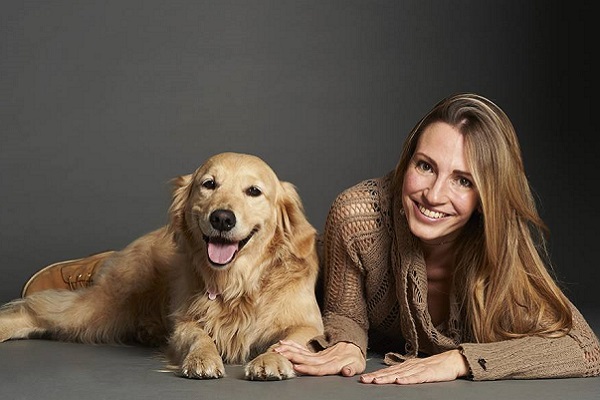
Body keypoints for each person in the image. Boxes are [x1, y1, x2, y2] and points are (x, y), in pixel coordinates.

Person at [273, 92, 600, 384]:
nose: (434, 194)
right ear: (407, 161)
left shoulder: (497, 245)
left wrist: (461, 360)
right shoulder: (357, 217)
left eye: (463, 181)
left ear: (487, 197)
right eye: (426, 166)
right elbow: (346, 312)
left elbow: (586, 351)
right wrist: (347, 344)